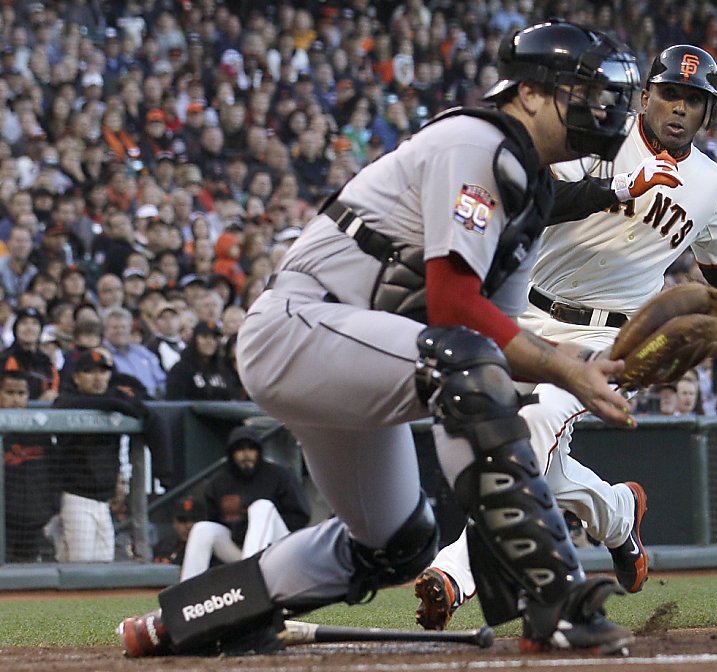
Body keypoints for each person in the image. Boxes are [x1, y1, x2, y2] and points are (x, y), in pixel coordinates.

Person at [119, 21, 645, 657]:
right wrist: (564, 367)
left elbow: (493, 336)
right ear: (530, 94)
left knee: (396, 542)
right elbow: (456, 309)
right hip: (297, 328)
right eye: (583, 90)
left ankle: (196, 615)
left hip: (365, 353)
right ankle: (556, 601)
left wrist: (584, 363)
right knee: (463, 365)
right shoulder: (475, 139)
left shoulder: (529, 191)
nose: (604, 106)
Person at [415, 43, 717, 631]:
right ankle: (620, 514)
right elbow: (531, 197)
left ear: (709, 115)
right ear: (646, 95)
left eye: (694, 100)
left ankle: (454, 575)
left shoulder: (707, 185)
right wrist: (621, 185)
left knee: (530, 430)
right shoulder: (596, 133)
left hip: (601, 343)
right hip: (521, 312)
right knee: (545, 474)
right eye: (670, 93)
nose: (679, 108)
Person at [52, 349, 172, 562]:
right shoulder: (68, 399)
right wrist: (115, 404)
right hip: (75, 499)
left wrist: (165, 472)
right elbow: (62, 404)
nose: (98, 378)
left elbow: (152, 418)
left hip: (103, 501)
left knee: (104, 566)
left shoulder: (115, 396)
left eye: (103, 372)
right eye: (90, 372)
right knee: (78, 568)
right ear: (77, 377)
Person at [178, 426, 311, 581]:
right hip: (240, 549)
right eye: (240, 450)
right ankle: (186, 594)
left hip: (280, 550)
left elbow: (301, 517)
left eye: (251, 449)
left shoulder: (278, 475)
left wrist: (250, 521)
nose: (246, 454)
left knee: (262, 506)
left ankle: (249, 581)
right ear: (231, 453)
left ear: (259, 451)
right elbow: (215, 521)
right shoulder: (219, 483)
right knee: (203, 529)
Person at [1, 368, 60, 562]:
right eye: (10, 393)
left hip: (34, 522)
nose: (16, 399)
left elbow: (54, 474)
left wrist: (52, 509)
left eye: (21, 393)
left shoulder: (39, 433)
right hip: (4, 523)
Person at [165, 320, 237, 401]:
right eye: (204, 337)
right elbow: (175, 402)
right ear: (194, 340)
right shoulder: (180, 370)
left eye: (214, 338)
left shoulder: (224, 369)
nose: (210, 342)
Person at [2, 307, 59, 401]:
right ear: (15, 329)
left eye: (35, 323)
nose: (29, 328)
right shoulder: (4, 359)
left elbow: (54, 388)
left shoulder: (46, 362)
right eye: (24, 323)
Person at [153, 496, 203, 566]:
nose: (188, 526)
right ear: (174, 523)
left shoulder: (212, 550)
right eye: (182, 520)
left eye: (194, 520)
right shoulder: (162, 547)